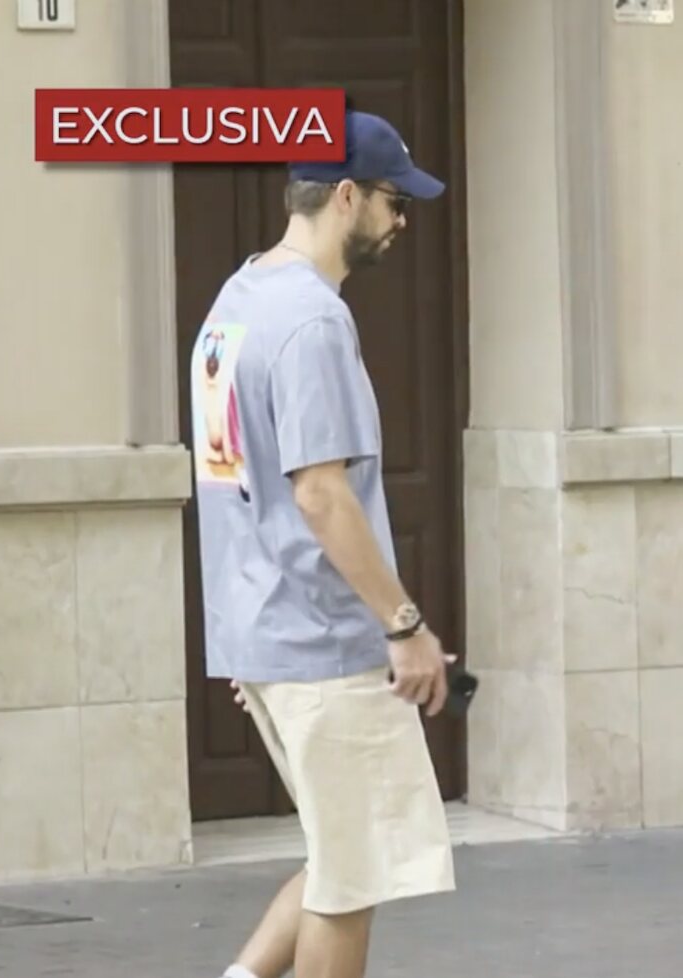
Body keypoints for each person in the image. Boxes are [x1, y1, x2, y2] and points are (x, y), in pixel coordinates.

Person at [189, 110, 456, 978]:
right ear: (346, 197)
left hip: (265, 631)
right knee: (353, 872)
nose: (402, 219)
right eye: (391, 199)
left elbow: (234, 478)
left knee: (336, 853)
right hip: (323, 643)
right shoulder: (312, 322)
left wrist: (248, 637)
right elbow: (319, 492)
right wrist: (404, 624)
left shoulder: (235, 304)